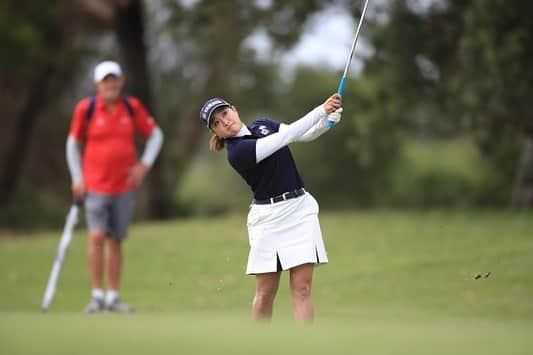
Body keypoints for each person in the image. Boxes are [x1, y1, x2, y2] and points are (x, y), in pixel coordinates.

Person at [199, 93, 342, 323]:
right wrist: (321, 110)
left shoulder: (263, 124)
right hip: (268, 220)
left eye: (224, 113)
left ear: (234, 110)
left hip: (300, 211)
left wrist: (328, 120)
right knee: (266, 293)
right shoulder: (237, 152)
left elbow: (304, 135)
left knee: (302, 289)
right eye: (216, 122)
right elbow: (286, 137)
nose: (224, 121)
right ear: (216, 133)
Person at [66, 60, 164, 313]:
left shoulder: (131, 107)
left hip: (124, 185)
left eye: (114, 79)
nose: (110, 84)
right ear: (97, 84)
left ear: (120, 81)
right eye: (105, 80)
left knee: (116, 239)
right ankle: (96, 295)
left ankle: (113, 297)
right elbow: (72, 144)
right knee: (97, 235)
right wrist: (77, 177)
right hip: (95, 184)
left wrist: (144, 166)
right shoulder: (86, 109)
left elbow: (155, 135)